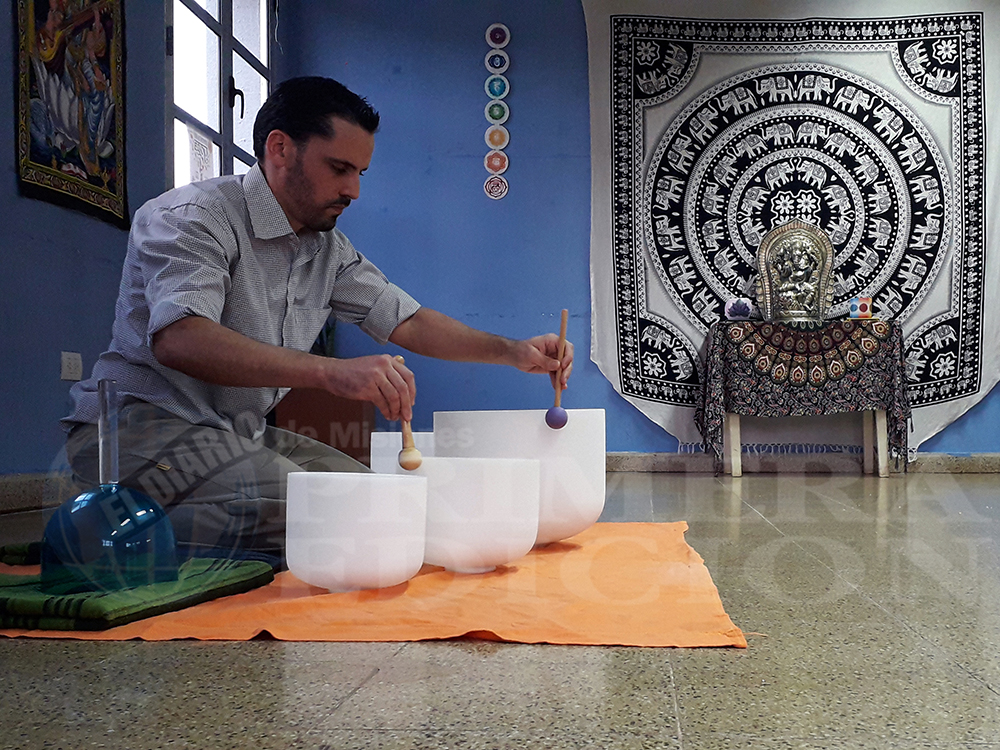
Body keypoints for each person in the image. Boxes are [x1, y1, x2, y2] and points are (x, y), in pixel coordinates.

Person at [62, 76, 573, 565]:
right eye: (339, 168)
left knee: (379, 504)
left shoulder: (327, 249)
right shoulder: (192, 215)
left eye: (360, 173)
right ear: (280, 149)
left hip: (236, 432)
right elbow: (181, 338)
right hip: (140, 431)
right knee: (339, 518)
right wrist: (332, 373)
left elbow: (409, 321)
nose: (354, 190)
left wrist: (513, 351)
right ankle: (108, 524)